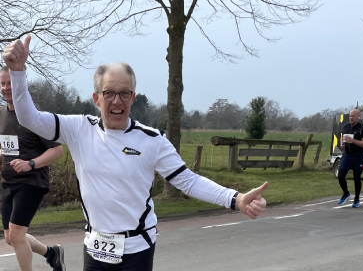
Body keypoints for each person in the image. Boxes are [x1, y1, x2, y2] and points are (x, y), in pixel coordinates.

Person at [2, 35, 268, 271]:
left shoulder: (152, 140)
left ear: (133, 97)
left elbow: (187, 180)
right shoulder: (79, 128)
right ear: (97, 99)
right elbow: (30, 119)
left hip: (136, 250)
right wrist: (18, 72)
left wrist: (236, 198)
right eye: (109, 93)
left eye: (124, 94)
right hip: (95, 247)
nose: (117, 101)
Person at [0, 66, 65, 271]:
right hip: (8, 183)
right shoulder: (1, 114)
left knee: (17, 234)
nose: (6, 88)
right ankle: (51, 253)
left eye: (10, 83)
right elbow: (5, 145)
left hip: (31, 182)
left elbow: (57, 151)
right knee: (11, 237)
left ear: (20, 84)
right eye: (2, 83)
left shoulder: (33, 116)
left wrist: (30, 164)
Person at [337, 109, 363, 208]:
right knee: (341, 174)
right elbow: (342, 137)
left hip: (358, 155)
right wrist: (342, 144)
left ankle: (356, 199)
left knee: (357, 177)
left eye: (353, 116)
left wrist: (353, 140)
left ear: (358, 117)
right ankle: (346, 193)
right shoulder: (345, 127)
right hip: (347, 154)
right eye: (350, 116)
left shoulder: (362, 129)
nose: (351, 118)